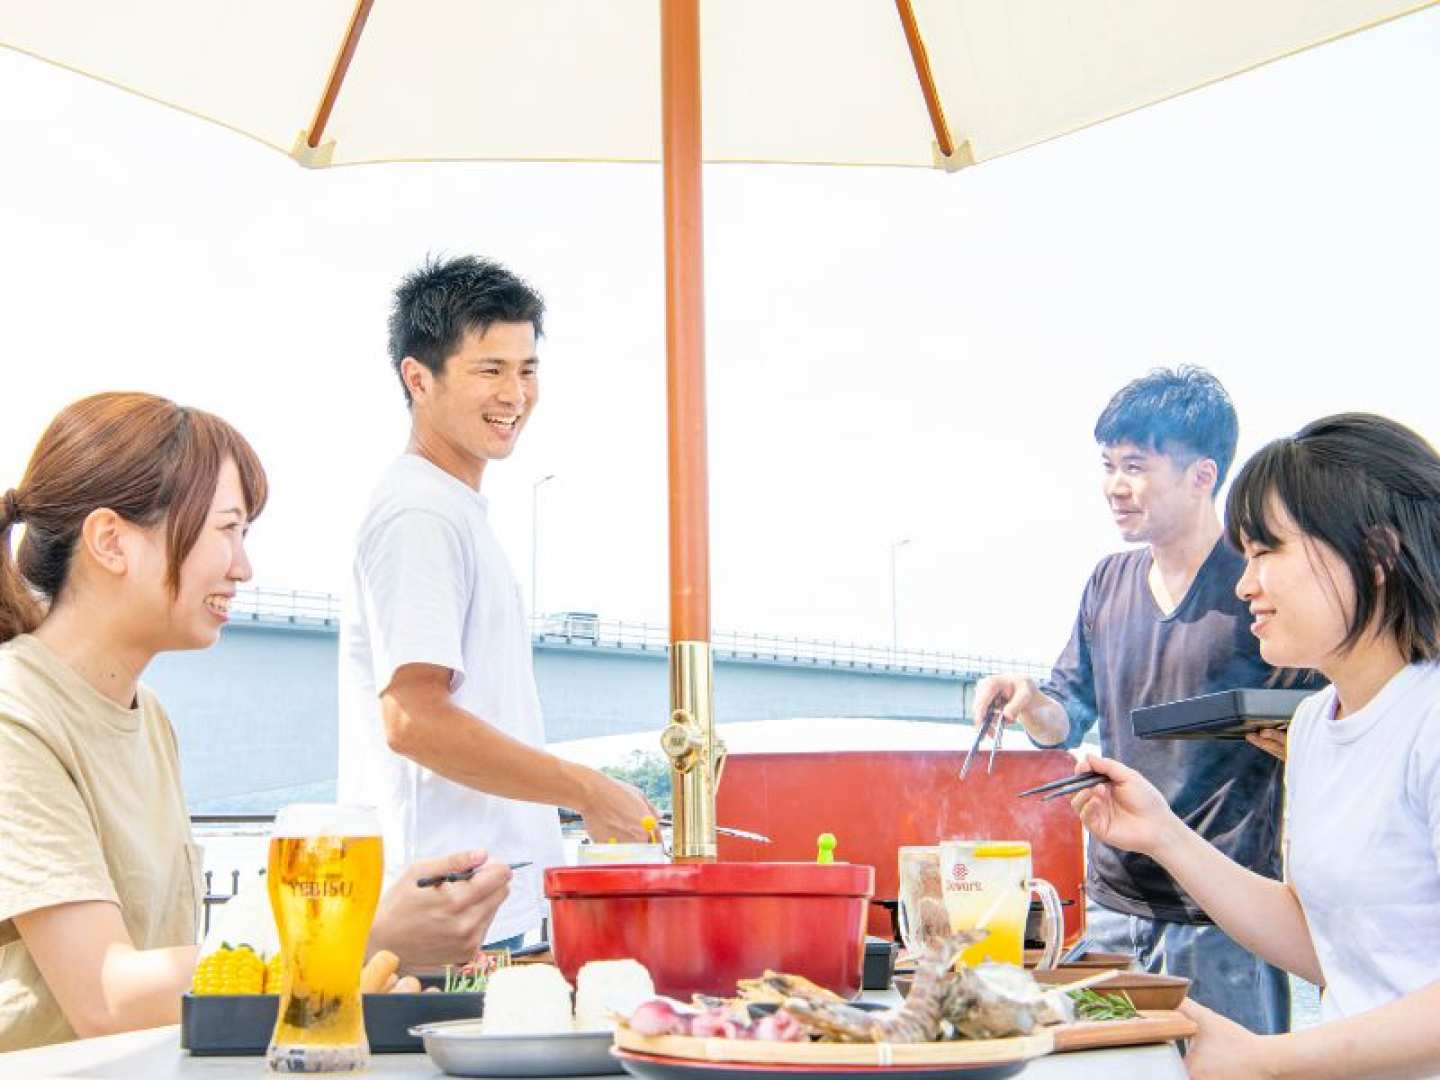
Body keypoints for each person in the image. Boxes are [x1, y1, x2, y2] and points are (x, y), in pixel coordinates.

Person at [0, 392, 512, 1053]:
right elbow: (104, 995)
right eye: (226, 530)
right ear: (110, 541)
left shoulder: (147, 717)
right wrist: (359, 937)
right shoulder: (16, 711)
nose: (243, 567)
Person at [1071, 412, 1440, 1078]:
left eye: (1268, 551)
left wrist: (1267, 1059)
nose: (1246, 584)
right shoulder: (1314, 726)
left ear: (1379, 556)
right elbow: (1333, 942)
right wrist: (1162, 834)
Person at [338, 256, 653, 950]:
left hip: (481, 903)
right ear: (418, 379)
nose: (515, 394)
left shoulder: (453, 509)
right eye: (490, 370)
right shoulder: (420, 514)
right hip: (448, 915)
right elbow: (412, 719)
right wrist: (591, 791)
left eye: (528, 369)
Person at [973, 367, 1301, 1034]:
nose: (1114, 488)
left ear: (1202, 476)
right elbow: (1068, 712)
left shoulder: (1256, 582)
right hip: (1116, 903)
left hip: (1225, 912)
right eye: (1108, 466)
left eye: (1135, 467)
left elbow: (1313, 713)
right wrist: (1029, 701)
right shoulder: (1107, 582)